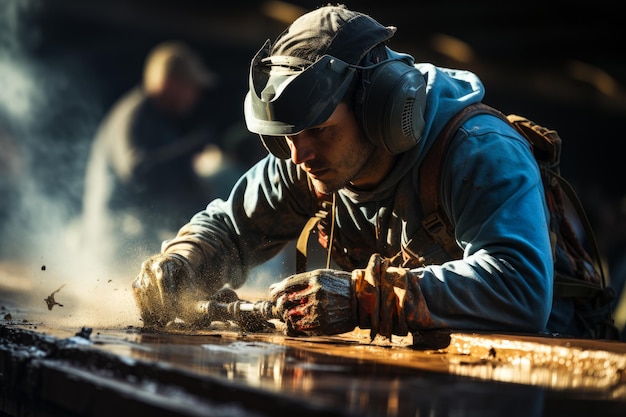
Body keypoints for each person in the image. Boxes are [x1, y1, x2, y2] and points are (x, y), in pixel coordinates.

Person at [131, 5, 593, 341]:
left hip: (534, 378)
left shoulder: (478, 152)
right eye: (285, 137)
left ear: (385, 109)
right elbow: (230, 229)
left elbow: (521, 288)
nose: (296, 155)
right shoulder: (310, 159)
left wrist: (366, 297)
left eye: (318, 131)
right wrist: (182, 262)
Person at [82, 40, 218, 274]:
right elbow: (139, 171)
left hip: (135, 239)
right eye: (191, 87)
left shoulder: (158, 121)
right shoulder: (135, 116)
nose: (196, 95)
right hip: (116, 247)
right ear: (170, 82)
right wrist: (192, 149)